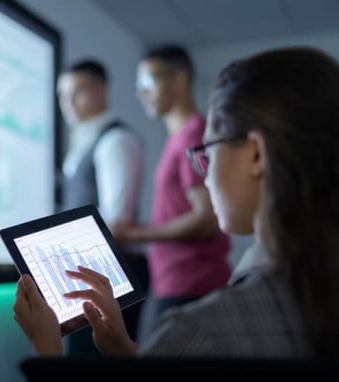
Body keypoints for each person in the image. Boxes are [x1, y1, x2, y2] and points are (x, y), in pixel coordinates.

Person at [13, 46, 339, 359]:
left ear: (255, 154)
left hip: (187, 279)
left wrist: (47, 348)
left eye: (208, 152)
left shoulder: (198, 332)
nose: (206, 175)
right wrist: (125, 349)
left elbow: (203, 218)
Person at [112, 44, 231, 343]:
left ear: (177, 80)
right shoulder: (181, 137)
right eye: (138, 86)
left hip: (192, 284)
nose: (141, 93)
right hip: (175, 282)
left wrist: (133, 235)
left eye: (148, 83)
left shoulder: (193, 136)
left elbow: (207, 218)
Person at [55, 59, 147, 355]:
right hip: (90, 276)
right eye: (62, 94)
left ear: (101, 91)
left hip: (112, 278)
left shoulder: (116, 140)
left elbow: (115, 221)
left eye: (77, 92)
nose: (67, 102)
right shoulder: (83, 141)